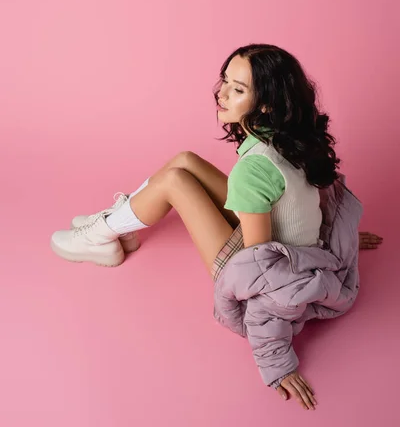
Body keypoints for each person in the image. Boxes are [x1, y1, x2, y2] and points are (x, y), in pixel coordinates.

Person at [50, 43, 383, 410]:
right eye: (225, 81)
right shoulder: (294, 138)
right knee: (185, 160)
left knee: (175, 181)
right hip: (287, 244)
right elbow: (313, 206)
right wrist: (341, 242)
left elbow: (260, 274)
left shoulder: (254, 168)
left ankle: (101, 236)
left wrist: (277, 363)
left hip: (271, 268)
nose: (221, 94)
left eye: (237, 90)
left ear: (267, 104)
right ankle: (117, 224)